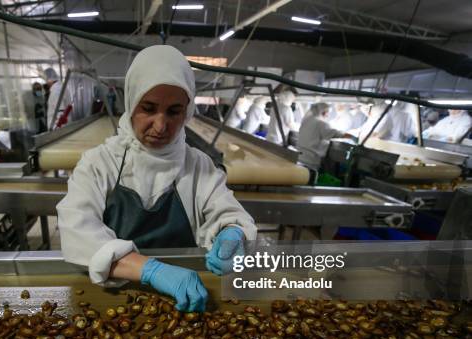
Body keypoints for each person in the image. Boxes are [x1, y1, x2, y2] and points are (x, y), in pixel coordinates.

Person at [57, 45, 256, 312]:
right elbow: (76, 231)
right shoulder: (99, 163)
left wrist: (233, 234)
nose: (160, 126)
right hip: (116, 296)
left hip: (186, 299)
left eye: (174, 112)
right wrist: (150, 270)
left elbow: (227, 212)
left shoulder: (198, 166)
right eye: (148, 108)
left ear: (187, 112)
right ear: (130, 103)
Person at [297, 103, 357, 172]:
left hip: (300, 156)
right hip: (311, 159)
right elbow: (334, 133)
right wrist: (351, 136)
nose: (328, 115)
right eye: (327, 113)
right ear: (323, 112)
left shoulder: (307, 120)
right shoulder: (321, 123)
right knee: (308, 177)